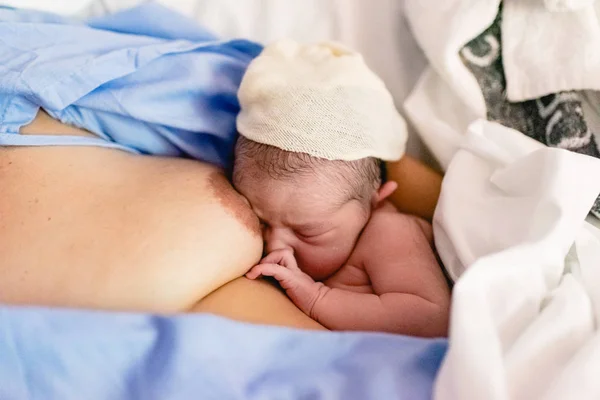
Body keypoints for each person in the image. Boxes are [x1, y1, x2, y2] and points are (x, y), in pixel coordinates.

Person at [231, 41, 450, 337]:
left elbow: (430, 317)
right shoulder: (322, 227)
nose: (275, 245)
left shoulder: (389, 233)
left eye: (309, 231)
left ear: (375, 200)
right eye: (261, 222)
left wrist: (317, 298)